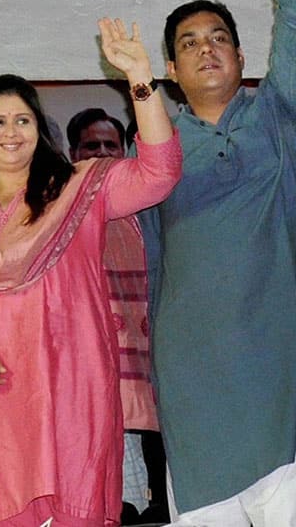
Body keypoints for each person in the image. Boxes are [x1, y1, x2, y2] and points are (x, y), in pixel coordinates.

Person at [139, 0, 296, 524]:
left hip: (279, 379)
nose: (207, 50)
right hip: (193, 386)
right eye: (189, 43)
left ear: (240, 57)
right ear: (171, 72)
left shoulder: (279, 119)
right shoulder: (154, 149)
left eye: (220, 39)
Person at [0, 16, 181, 525]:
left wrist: (140, 79)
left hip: (76, 395)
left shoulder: (79, 189)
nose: (11, 132)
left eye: (22, 120)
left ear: (39, 130)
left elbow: (161, 173)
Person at [68, 107, 167, 523]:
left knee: (161, 502)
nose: (104, 153)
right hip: (93, 379)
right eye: (93, 146)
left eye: (113, 145)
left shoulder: (148, 207)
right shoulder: (62, 213)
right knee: (112, 503)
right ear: (73, 153)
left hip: (154, 376)